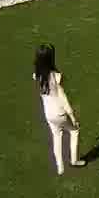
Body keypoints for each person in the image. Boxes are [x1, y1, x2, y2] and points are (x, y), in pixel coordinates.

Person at [33, 44, 85, 175]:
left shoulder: (37, 76)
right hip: (60, 112)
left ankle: (60, 167)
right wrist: (73, 117)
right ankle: (74, 160)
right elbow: (63, 99)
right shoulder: (57, 76)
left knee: (56, 137)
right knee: (74, 131)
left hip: (49, 114)